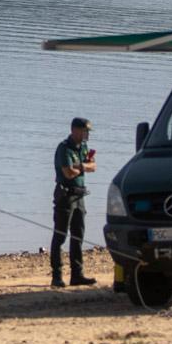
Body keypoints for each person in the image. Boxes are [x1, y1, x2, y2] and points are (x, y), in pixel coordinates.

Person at [52, 117, 98, 287]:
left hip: (80, 196)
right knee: (60, 235)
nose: (87, 134)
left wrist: (82, 166)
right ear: (74, 130)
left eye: (87, 131)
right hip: (65, 195)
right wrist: (84, 166)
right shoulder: (64, 148)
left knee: (78, 235)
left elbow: (93, 166)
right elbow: (68, 173)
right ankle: (57, 276)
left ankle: (77, 275)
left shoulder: (83, 147)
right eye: (84, 131)